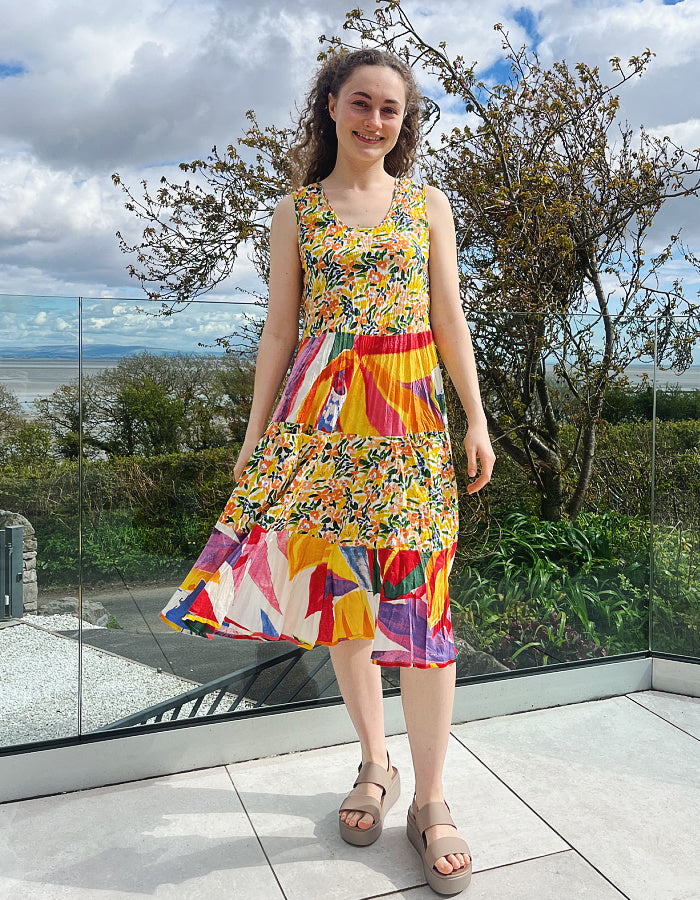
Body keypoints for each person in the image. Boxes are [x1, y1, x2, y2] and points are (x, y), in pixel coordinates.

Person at [160, 47, 495, 896]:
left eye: (392, 110)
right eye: (362, 104)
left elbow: (449, 317)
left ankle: (431, 801)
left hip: (411, 421)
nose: (375, 121)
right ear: (331, 107)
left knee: (420, 606)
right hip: (317, 426)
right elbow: (279, 333)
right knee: (344, 599)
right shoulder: (295, 212)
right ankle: (373, 765)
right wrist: (252, 438)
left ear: (404, 121)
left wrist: (476, 418)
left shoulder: (428, 205)